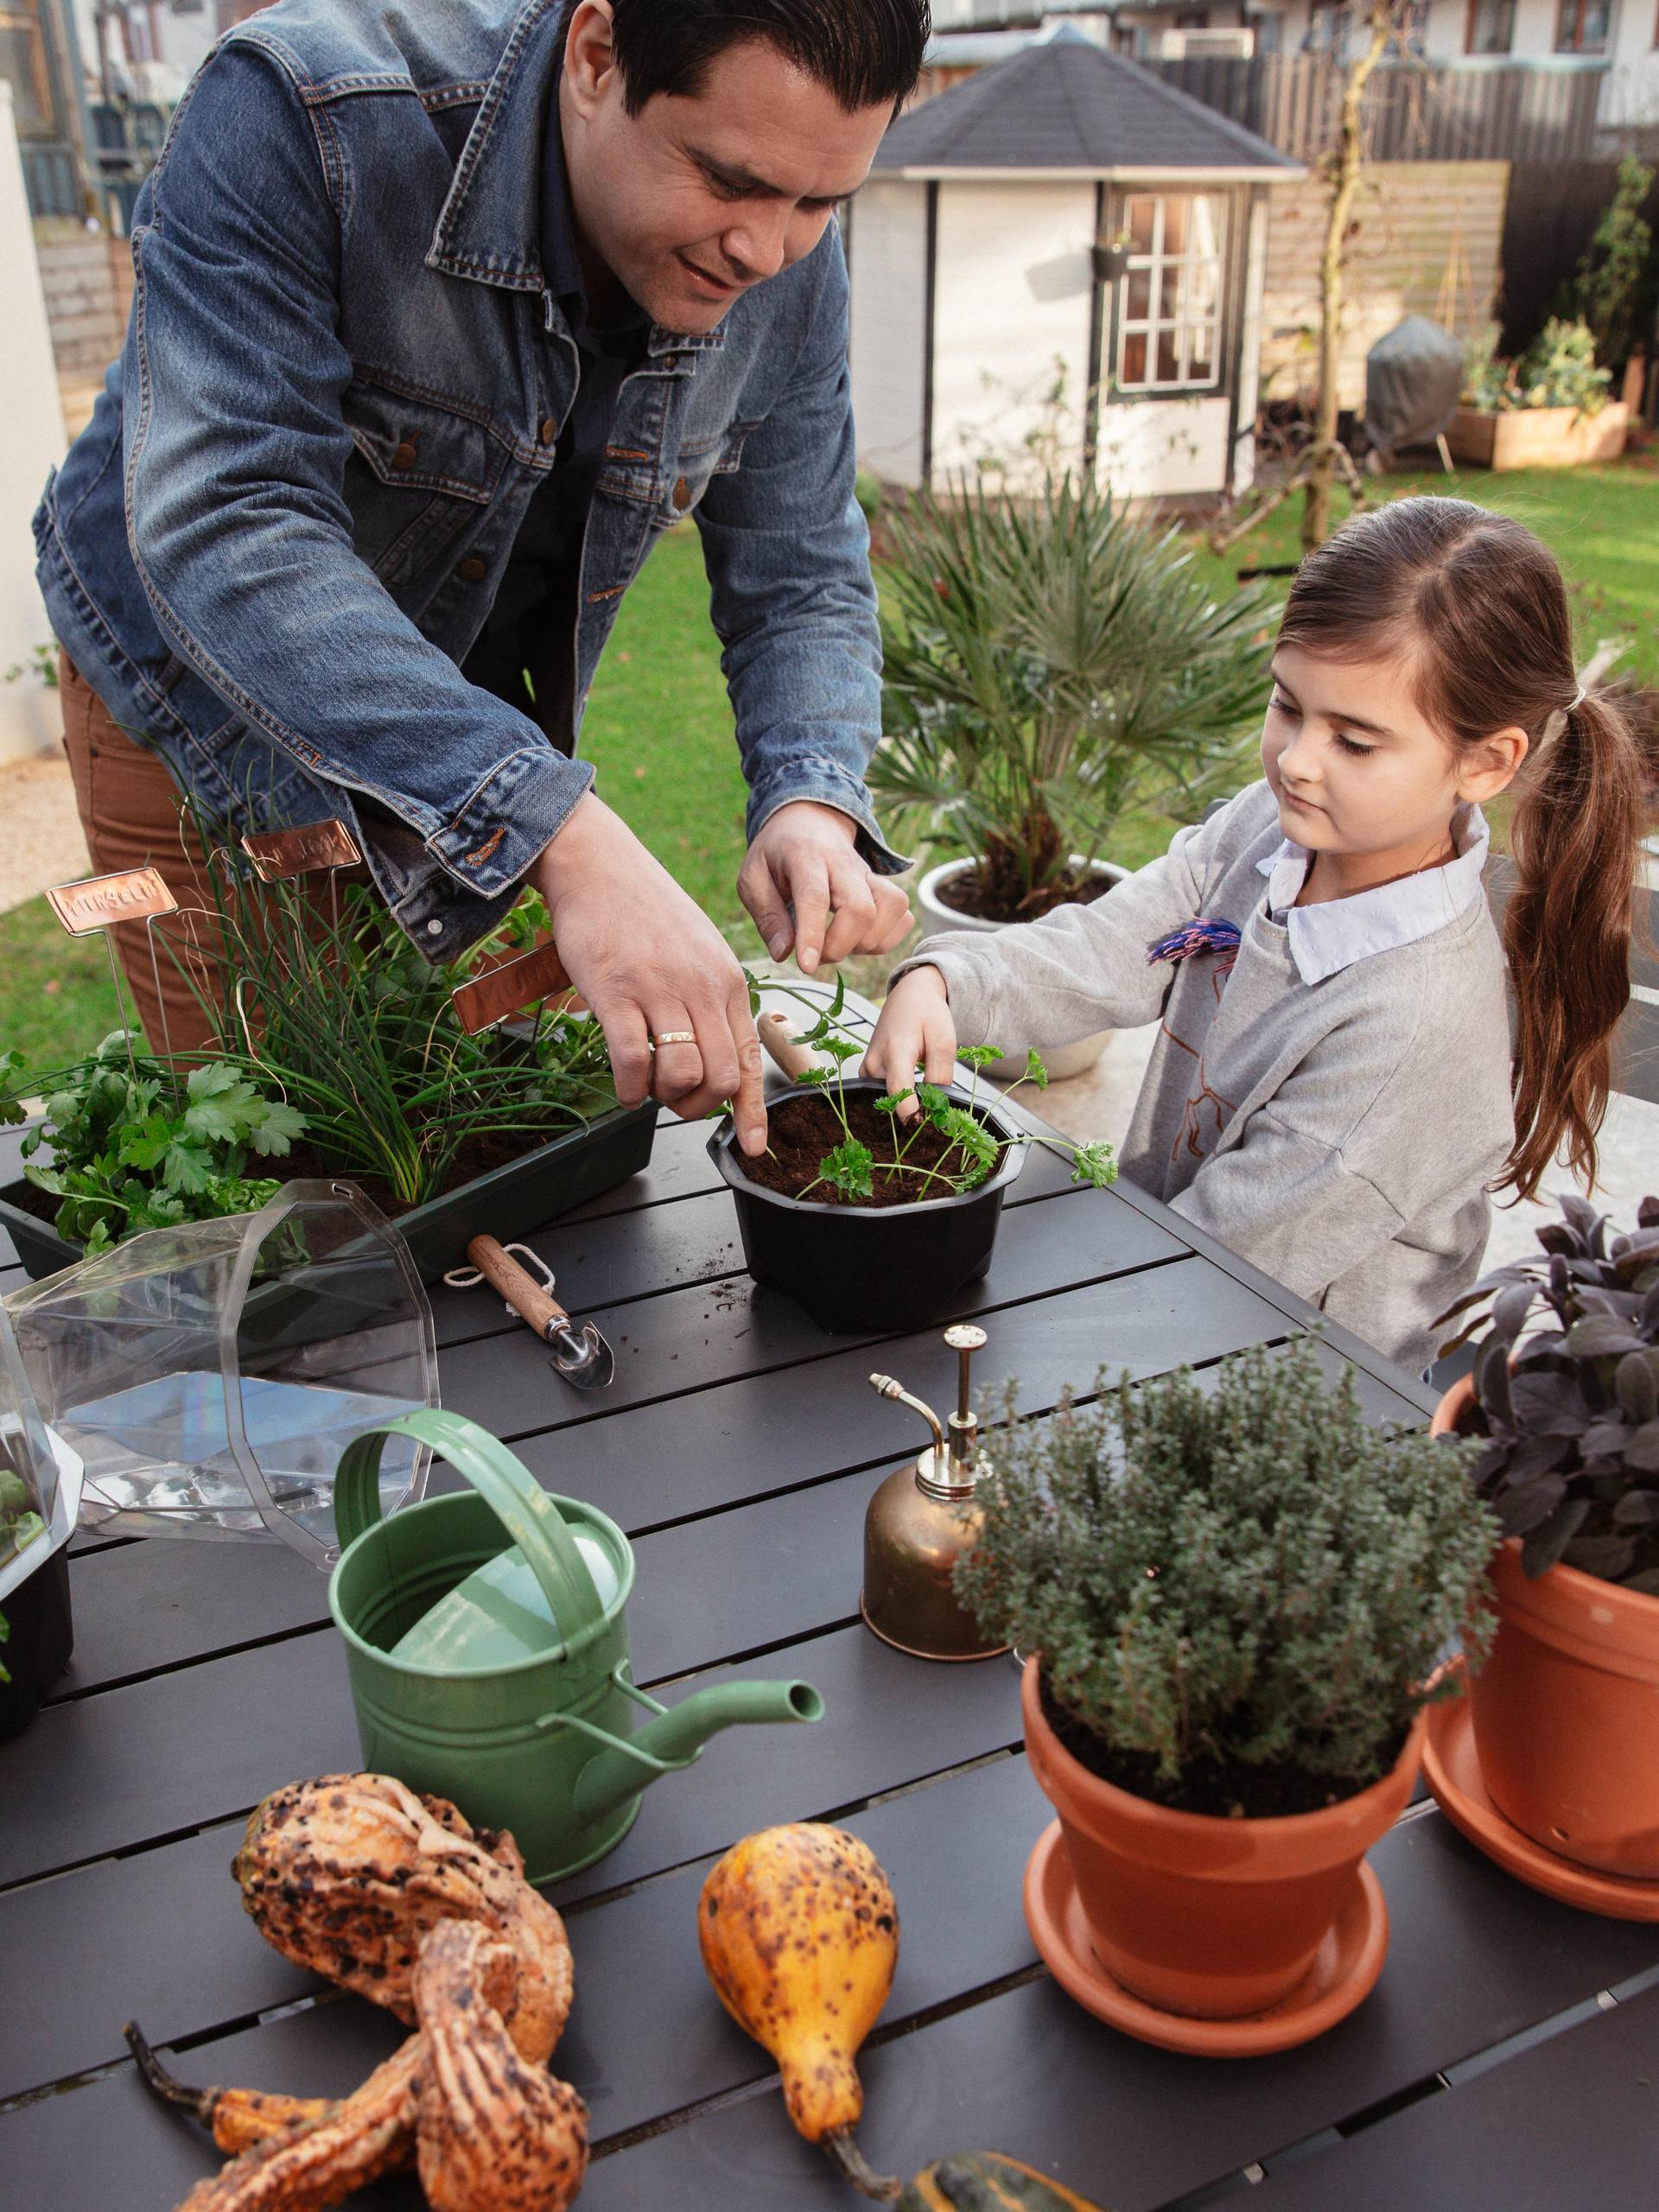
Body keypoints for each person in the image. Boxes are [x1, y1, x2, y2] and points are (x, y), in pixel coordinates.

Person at [34, 0, 931, 1154]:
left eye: (821, 202)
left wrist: (811, 796)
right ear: (598, 56)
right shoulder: (304, 111)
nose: (767, 250)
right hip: (199, 712)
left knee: (502, 1124)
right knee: (281, 1173)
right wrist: (553, 824)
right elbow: (231, 520)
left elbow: (802, 568)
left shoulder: (785, 249)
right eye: (729, 180)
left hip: (478, 739)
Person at [865, 497, 1646, 1376]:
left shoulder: (1413, 1027)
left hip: (1284, 1395)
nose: (1297, 759)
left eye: (1354, 741)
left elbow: (1219, 1266)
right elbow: (1117, 945)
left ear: (1486, 762)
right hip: (1162, 1288)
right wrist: (944, 983)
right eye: (1288, 706)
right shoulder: (1272, 835)